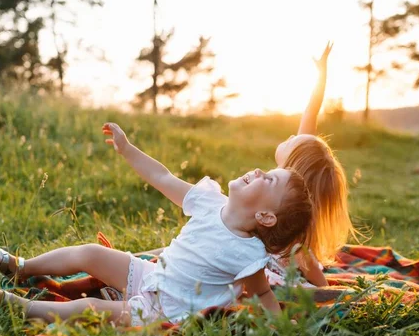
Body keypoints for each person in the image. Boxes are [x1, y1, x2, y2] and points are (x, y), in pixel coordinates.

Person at [0, 122, 313, 326]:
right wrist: (128, 149)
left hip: (163, 309)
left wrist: (280, 327)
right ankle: (23, 268)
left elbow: (263, 293)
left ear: (266, 217)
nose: (258, 171)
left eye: (268, 180)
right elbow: (162, 176)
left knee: (92, 309)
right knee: (90, 253)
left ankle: (15, 306)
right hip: (152, 274)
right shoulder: (210, 200)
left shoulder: (248, 254)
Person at [138, 42, 355, 288]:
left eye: (295, 140)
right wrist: (321, 76)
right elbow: (310, 117)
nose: (293, 135)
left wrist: (326, 290)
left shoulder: (287, 228)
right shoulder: (282, 184)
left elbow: (312, 270)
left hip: (256, 271)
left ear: (294, 162)